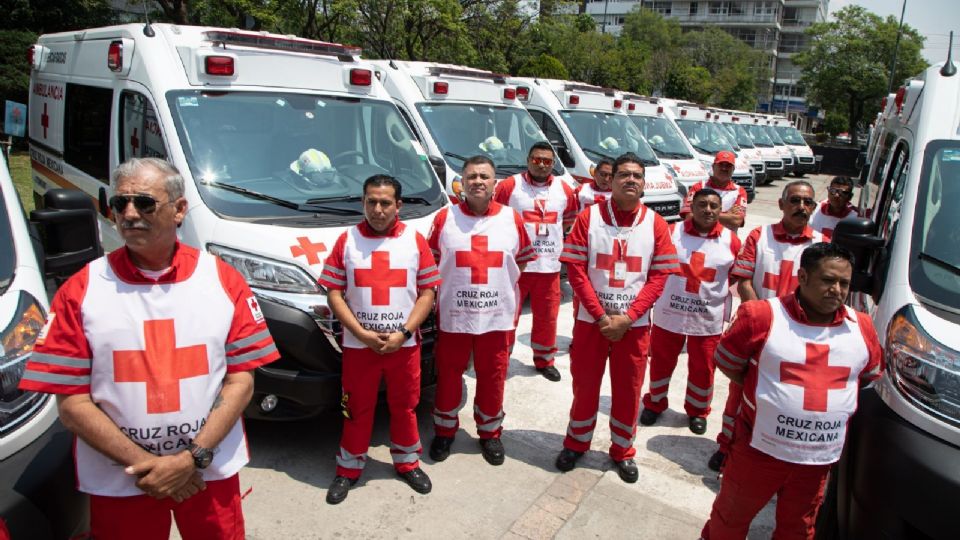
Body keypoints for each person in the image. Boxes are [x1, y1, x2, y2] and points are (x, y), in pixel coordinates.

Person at [18, 158, 279, 539]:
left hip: (207, 471)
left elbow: (242, 380)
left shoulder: (222, 279)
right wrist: (149, 467)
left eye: (144, 203)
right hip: (123, 477)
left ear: (179, 209)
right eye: (119, 204)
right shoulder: (82, 288)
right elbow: (71, 404)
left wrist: (192, 459)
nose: (128, 214)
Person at [701, 243, 882, 540]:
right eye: (827, 280)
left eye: (844, 283)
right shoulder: (760, 316)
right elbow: (729, 363)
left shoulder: (862, 327)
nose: (836, 290)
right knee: (729, 519)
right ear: (803, 277)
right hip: (758, 453)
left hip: (816, 462)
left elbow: (866, 376)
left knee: (798, 528)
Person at [556, 152, 680, 482]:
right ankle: (576, 442)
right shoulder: (589, 218)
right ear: (610, 181)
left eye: (637, 176)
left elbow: (660, 276)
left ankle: (622, 450)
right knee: (585, 387)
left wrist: (629, 316)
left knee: (628, 390)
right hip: (590, 324)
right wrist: (600, 317)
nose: (630, 180)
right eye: (623, 174)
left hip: (634, 327)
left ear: (643, 183)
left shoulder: (655, 223)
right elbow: (576, 270)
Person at [318, 175, 441, 504]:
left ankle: (407, 462)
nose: (378, 208)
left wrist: (403, 333)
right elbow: (333, 292)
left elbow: (428, 292)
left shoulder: (415, 241)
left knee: (405, 407)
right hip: (360, 347)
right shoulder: (347, 240)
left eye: (385, 202)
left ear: (398, 205)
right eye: (371, 201)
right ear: (363, 203)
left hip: (404, 346)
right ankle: (348, 468)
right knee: (355, 409)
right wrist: (360, 333)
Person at [427, 156, 535, 466]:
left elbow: (522, 260)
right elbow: (431, 261)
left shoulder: (512, 219)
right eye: (472, 176)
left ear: (494, 184)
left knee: (493, 377)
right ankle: (445, 433)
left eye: (484, 176)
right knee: (448, 377)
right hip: (453, 317)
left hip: (496, 318)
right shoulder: (445, 218)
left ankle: (490, 434)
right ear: (462, 182)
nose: (478, 181)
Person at [709, 180, 823, 472]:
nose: (801, 207)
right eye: (795, 200)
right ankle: (726, 446)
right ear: (781, 204)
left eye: (807, 202)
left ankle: (768, 451)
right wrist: (761, 319)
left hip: (800, 339)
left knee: (784, 398)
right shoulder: (760, 236)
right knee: (739, 392)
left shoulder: (822, 245)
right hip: (759, 332)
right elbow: (743, 279)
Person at [639, 188, 742, 434]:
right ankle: (655, 402)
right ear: (691, 207)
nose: (708, 210)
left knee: (704, 367)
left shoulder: (731, 240)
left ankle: (697, 411)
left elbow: (736, 277)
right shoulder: (672, 232)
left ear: (721, 210)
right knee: (661, 363)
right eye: (702, 204)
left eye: (714, 206)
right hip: (669, 313)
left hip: (707, 319)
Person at [494, 141, 577, 382]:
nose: (541, 165)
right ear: (528, 160)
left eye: (547, 161)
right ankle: (501, 359)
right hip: (517, 267)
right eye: (537, 160)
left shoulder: (564, 189)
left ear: (553, 163)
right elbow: (495, 216)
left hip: (549, 267)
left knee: (547, 318)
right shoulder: (510, 186)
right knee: (508, 315)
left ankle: (544, 360)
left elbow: (569, 219)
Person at [679, 151, 748, 232]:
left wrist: (701, 215)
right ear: (713, 166)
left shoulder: (740, 191)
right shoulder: (698, 187)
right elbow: (689, 217)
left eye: (728, 165)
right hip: (698, 239)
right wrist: (727, 215)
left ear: (733, 169)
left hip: (726, 241)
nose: (724, 168)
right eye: (721, 164)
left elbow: (737, 221)